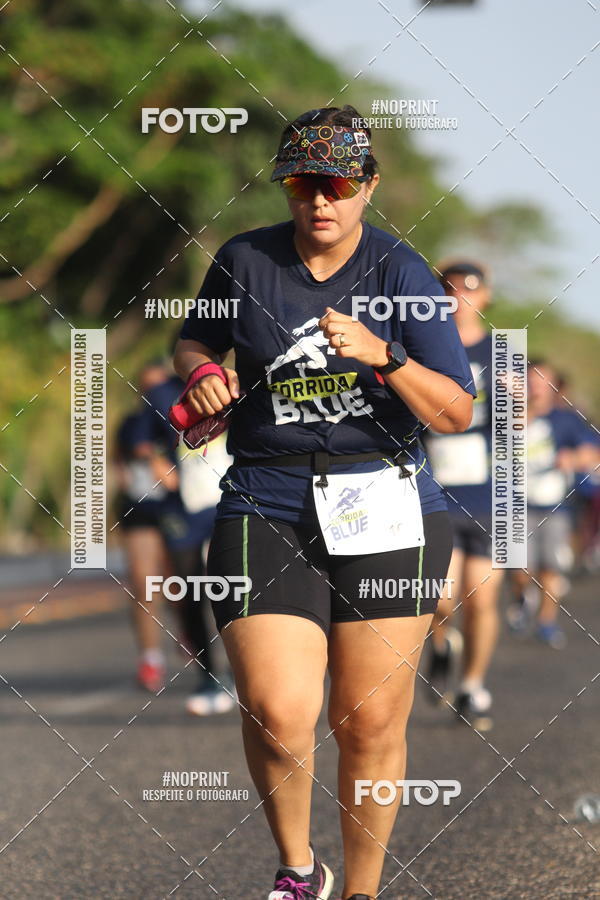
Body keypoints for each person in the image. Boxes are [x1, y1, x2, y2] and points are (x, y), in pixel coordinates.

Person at [174, 105, 475, 900]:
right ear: (288, 187)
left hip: (384, 500)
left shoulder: (401, 273)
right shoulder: (245, 260)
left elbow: (455, 411)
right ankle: (299, 868)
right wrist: (202, 371)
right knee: (278, 707)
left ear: (367, 186)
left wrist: (387, 356)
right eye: (304, 183)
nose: (320, 201)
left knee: (368, 722)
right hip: (266, 497)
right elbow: (194, 340)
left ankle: (362, 891)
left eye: (338, 183)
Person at [115, 361, 234, 714]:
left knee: (236, 586)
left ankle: (250, 672)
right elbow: (136, 442)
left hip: (234, 500)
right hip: (183, 509)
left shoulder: (240, 386)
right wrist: (155, 462)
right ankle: (211, 677)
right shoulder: (162, 395)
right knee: (190, 589)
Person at [423, 261, 503, 730]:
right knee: (440, 598)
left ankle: (472, 686)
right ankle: (439, 644)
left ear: (486, 296)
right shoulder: (425, 344)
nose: (459, 298)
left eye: (470, 289)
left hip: (492, 495)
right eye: (450, 289)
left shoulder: (503, 352)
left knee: (482, 599)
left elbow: (517, 430)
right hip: (435, 490)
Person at [508, 359, 600, 649]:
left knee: (551, 568)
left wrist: (571, 460)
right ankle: (524, 597)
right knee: (520, 567)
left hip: (555, 506)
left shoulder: (566, 419)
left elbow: (592, 454)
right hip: (515, 504)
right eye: (531, 380)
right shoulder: (507, 416)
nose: (536, 386)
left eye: (542, 381)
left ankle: (546, 622)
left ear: (553, 386)